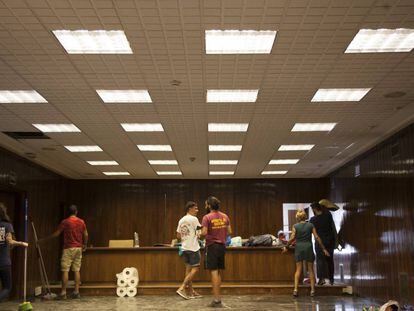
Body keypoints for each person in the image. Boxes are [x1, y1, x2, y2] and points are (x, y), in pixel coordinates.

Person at [40, 204, 88, 299]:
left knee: (65, 270)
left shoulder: (65, 222)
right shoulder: (81, 222)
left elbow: (57, 234)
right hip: (78, 248)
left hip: (68, 248)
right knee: (77, 270)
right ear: (76, 212)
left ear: (68, 213)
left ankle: (63, 293)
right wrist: (85, 245)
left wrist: (44, 239)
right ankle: (76, 291)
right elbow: (86, 234)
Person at [282, 209, 329, 297]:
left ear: (297, 217)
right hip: (308, 247)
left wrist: (286, 246)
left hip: (299, 248)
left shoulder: (295, 226)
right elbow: (317, 237)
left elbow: (292, 238)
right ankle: (312, 291)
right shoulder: (311, 225)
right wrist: (324, 249)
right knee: (310, 269)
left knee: (298, 270)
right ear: (305, 217)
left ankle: (295, 290)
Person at [201, 196, 231, 308]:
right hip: (222, 246)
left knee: (213, 272)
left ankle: (216, 300)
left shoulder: (206, 217)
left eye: (205, 204)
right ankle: (218, 298)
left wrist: (198, 234)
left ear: (209, 205)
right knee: (218, 272)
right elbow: (229, 231)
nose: (205, 206)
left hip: (212, 246)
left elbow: (204, 233)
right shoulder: (225, 216)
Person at [0, 203, 28, 302]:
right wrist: (22, 243)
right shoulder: (6, 226)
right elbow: (10, 241)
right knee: (7, 287)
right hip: (3, 261)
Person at [176, 201, 202, 300]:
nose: (197, 210)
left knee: (188, 271)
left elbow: (178, 235)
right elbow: (200, 233)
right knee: (195, 269)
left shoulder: (181, 220)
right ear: (190, 209)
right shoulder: (194, 219)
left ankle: (191, 292)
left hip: (184, 248)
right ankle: (182, 288)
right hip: (193, 248)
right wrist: (198, 235)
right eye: (195, 208)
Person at [310, 202, 337, 285]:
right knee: (330, 260)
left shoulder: (313, 220)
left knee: (320, 261)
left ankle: (321, 279)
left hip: (319, 242)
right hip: (329, 241)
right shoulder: (328, 215)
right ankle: (331, 279)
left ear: (314, 209)